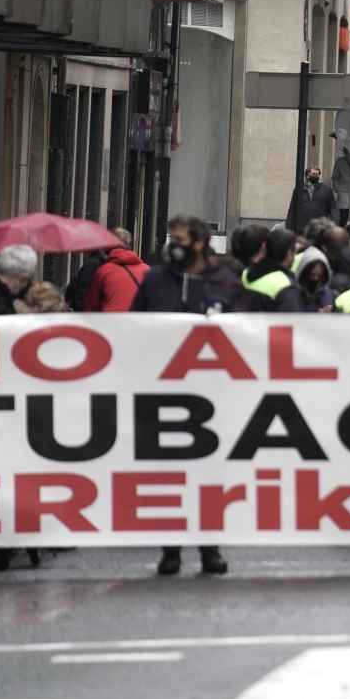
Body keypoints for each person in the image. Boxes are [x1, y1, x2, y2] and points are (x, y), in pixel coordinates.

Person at [134, 216, 240, 576]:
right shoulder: (155, 279)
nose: (172, 245)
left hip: (214, 397)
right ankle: (171, 550)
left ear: (199, 241)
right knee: (169, 477)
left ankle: (210, 549)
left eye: (179, 239)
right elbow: (131, 328)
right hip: (164, 393)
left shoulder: (225, 280)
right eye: (170, 238)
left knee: (209, 478)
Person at [82, 229, 148, 312]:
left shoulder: (104, 270)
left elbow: (91, 306)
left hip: (111, 322)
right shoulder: (147, 270)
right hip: (139, 321)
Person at [289, 165, 338, 231]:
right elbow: (292, 208)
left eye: (317, 174)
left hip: (320, 226)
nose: (316, 176)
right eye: (313, 174)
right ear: (307, 176)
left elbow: (333, 208)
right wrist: (289, 226)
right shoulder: (299, 189)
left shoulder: (326, 189)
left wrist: (335, 223)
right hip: (302, 226)